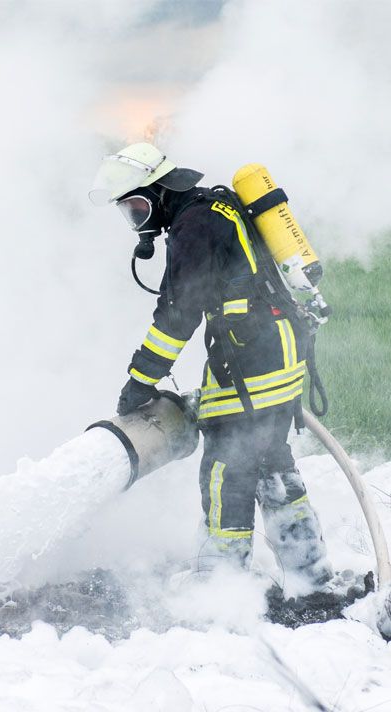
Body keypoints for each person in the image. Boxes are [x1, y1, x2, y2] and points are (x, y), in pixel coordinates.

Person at [89, 142, 333, 588]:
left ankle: (222, 587)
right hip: (277, 355)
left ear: (160, 189)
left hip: (250, 364)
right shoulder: (218, 205)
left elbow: (178, 315)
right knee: (272, 464)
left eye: (138, 208)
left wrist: (140, 382)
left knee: (226, 470)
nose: (138, 223)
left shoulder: (194, 224)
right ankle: (309, 572)